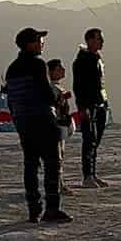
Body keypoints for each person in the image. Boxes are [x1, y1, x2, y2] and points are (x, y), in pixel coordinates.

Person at [3, 27, 72, 224]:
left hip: (23, 122)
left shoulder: (11, 69)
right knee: (52, 164)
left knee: (31, 164)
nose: (42, 44)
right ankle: (52, 209)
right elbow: (46, 94)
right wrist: (59, 99)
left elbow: (11, 100)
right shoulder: (38, 65)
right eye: (39, 40)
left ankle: (33, 209)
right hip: (43, 119)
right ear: (30, 44)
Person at [73, 28, 109, 189]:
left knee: (95, 141)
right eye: (99, 38)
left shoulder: (96, 58)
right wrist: (82, 107)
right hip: (89, 105)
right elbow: (78, 86)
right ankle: (87, 176)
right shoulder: (82, 61)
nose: (102, 41)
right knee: (89, 140)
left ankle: (93, 174)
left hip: (100, 103)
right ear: (90, 40)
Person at [47, 59, 74, 196]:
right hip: (56, 125)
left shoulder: (57, 87)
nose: (63, 70)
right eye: (59, 68)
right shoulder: (51, 88)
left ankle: (59, 183)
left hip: (62, 124)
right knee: (57, 157)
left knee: (60, 156)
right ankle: (58, 184)